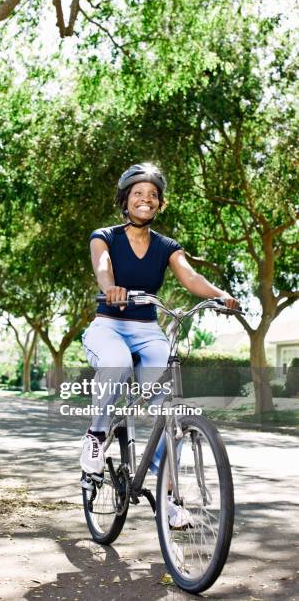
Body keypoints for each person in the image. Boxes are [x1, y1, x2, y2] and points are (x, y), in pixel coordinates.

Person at [80, 163, 239, 485]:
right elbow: (102, 265)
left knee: (166, 408)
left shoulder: (167, 246)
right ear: (125, 201)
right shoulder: (105, 237)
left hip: (147, 330)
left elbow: (191, 277)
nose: (146, 199)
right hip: (109, 325)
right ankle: (96, 434)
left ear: (160, 203)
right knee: (116, 362)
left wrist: (221, 295)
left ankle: (169, 495)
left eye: (153, 195)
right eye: (138, 193)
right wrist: (110, 287)